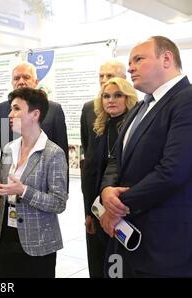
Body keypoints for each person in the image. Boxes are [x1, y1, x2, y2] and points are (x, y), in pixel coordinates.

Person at [100, 36, 192, 277]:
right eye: (129, 62)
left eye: (138, 59)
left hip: (164, 241)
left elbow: (173, 170)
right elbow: (115, 160)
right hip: (127, 235)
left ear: (167, 59)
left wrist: (118, 206)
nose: (130, 67)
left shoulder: (186, 99)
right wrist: (107, 191)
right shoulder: (142, 106)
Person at [0, 87, 67, 277]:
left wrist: (24, 191)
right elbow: (4, 189)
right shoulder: (9, 149)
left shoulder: (53, 153)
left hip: (38, 241)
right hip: (6, 237)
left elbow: (59, 203)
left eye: (17, 109)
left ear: (35, 114)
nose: (10, 114)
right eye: (11, 109)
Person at [0, 62, 68, 208]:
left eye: (26, 77)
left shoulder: (54, 109)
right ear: (12, 82)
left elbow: (61, 149)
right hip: (8, 184)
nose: (21, 81)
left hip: (40, 189)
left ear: (36, 82)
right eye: (16, 78)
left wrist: (63, 189)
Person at [80, 59, 127, 278]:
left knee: (119, 262)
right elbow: (88, 162)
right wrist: (88, 210)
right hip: (95, 202)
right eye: (102, 76)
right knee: (97, 259)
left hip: (122, 204)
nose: (105, 81)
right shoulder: (91, 111)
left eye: (111, 76)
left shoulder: (135, 118)